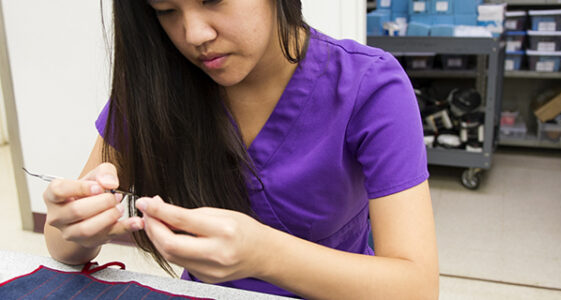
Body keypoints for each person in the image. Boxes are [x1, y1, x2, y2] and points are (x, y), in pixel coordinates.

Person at [42, 0, 439, 298]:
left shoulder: (369, 86)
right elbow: (60, 244)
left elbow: (416, 287)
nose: (194, 34)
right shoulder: (154, 92)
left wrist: (264, 255)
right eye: (166, 10)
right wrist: (77, 225)